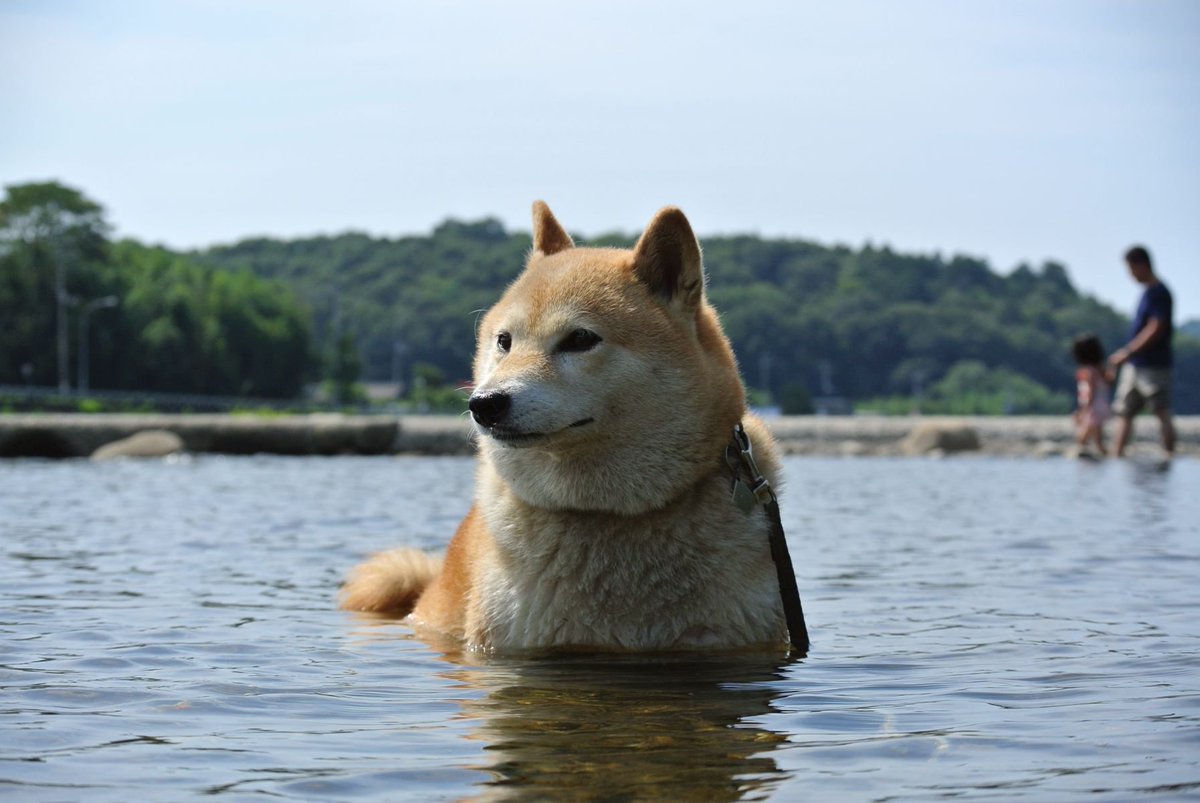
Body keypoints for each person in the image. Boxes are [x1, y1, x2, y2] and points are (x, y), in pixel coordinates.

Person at [1108, 245, 1175, 458]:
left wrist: (1128, 351)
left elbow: (1156, 327)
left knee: (1160, 410)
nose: (1130, 275)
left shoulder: (1160, 293)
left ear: (1141, 265)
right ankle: (1116, 456)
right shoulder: (1146, 293)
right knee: (1124, 411)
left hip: (1154, 365)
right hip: (1135, 365)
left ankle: (1168, 456)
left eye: (1131, 269)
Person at [1071, 334, 1112, 456]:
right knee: (1096, 434)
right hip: (1101, 404)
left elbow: (1090, 391)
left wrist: (1083, 409)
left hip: (1092, 406)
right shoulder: (1100, 369)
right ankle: (1103, 453)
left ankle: (1082, 452)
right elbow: (1109, 384)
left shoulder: (1089, 372)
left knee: (1085, 434)